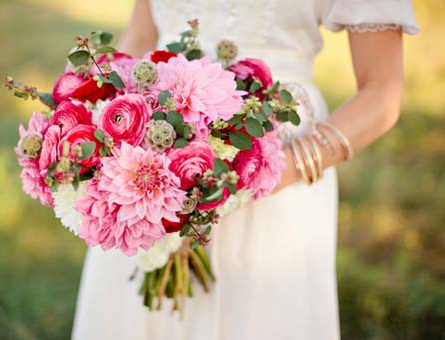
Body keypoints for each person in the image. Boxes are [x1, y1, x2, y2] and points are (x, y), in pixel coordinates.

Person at [72, 1, 419, 339]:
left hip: (277, 162)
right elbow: (141, 37)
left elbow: (381, 93)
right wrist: (100, 126)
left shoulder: (276, 168)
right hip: (149, 146)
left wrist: (274, 170)